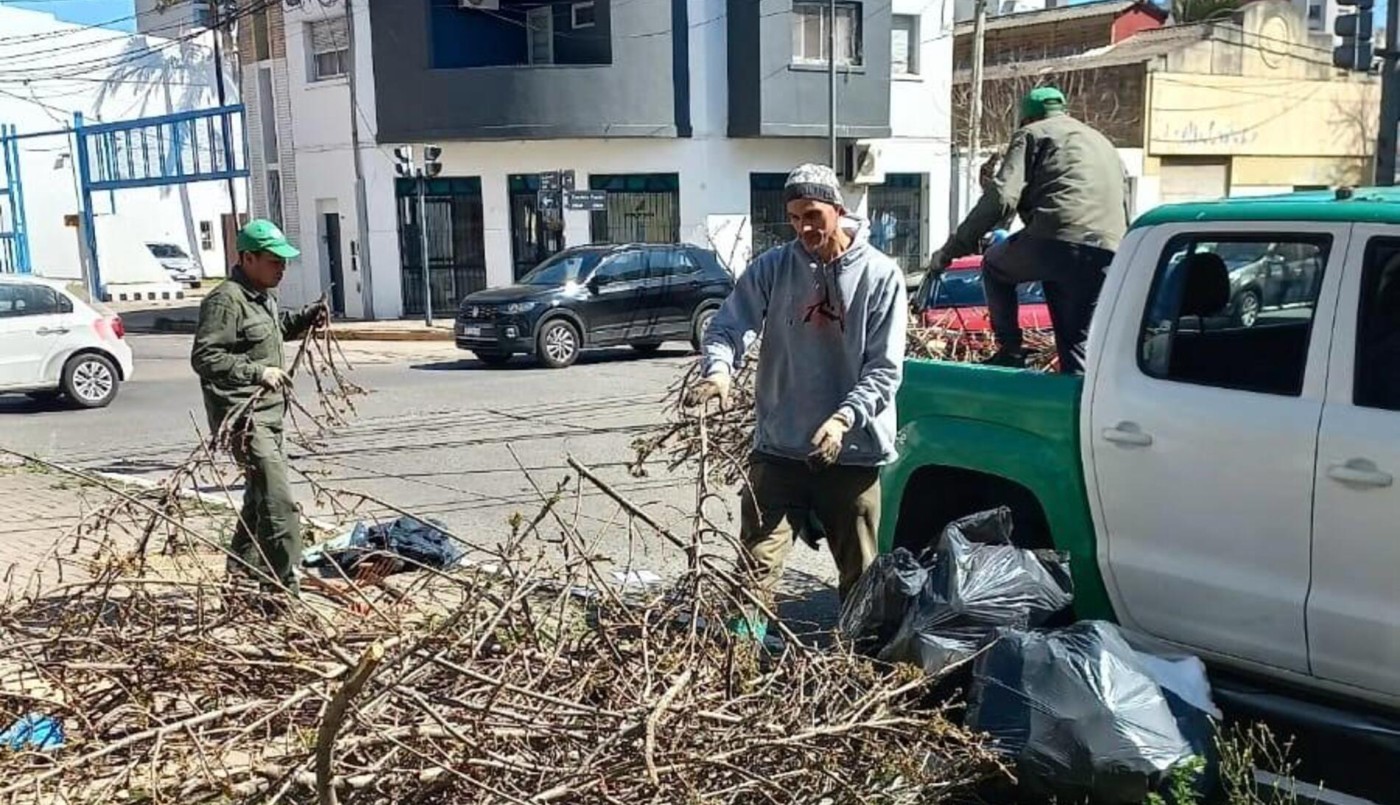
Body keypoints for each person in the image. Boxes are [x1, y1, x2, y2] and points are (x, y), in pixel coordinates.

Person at [686, 164, 908, 637]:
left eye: (812, 214)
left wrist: (844, 419)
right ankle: (738, 669)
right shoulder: (774, 267)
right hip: (780, 450)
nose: (804, 227)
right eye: (793, 218)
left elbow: (884, 370)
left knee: (860, 577)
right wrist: (720, 370)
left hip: (852, 454)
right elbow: (728, 326)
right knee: (755, 570)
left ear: (838, 210)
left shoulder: (881, 275)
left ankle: (857, 671)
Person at [924, 86, 1131, 374]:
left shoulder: (1031, 134)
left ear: (1025, 118)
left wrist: (953, 249)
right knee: (1076, 343)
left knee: (995, 265)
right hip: (1107, 249)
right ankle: (1081, 410)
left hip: (1055, 237)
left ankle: (1010, 350)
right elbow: (1124, 201)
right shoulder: (1101, 141)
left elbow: (1002, 198)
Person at [191, 219, 325, 596]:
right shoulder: (225, 300)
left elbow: (272, 331)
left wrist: (305, 318)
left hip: (269, 415)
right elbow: (205, 357)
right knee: (278, 504)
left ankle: (240, 580)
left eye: (284, 261)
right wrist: (256, 372)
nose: (281, 268)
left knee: (258, 500)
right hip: (244, 419)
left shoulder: (262, 294)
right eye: (273, 261)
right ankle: (284, 590)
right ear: (248, 258)